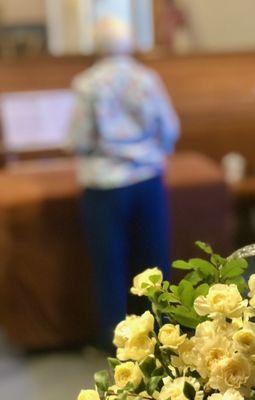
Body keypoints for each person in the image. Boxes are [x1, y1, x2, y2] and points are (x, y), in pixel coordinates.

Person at [68, 17, 180, 349]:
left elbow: (78, 138)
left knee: (110, 264)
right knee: (153, 261)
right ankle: (160, 335)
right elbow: (170, 128)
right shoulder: (146, 79)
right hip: (147, 180)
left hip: (104, 185)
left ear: (98, 46)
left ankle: (115, 342)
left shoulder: (87, 84)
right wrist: (152, 153)